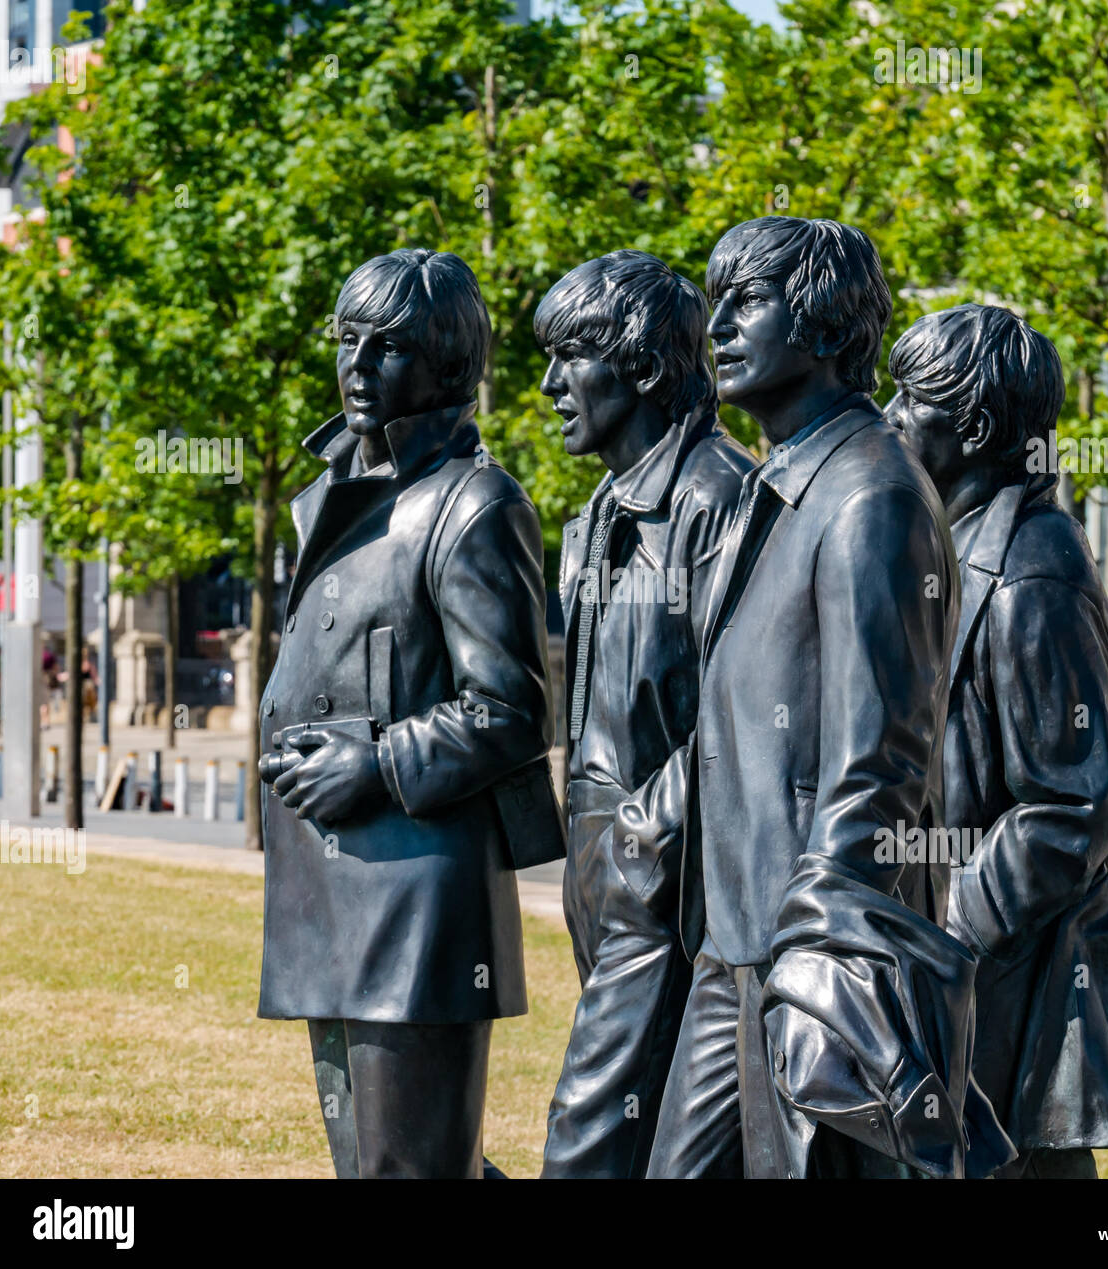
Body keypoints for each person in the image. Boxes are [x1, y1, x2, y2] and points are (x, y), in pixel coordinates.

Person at [647, 217, 960, 1178]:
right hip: (728, 938)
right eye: (717, 301)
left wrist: (812, 940)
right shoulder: (773, 486)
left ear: (825, 329)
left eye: (749, 302)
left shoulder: (871, 496)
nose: (719, 327)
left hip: (804, 946)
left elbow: (883, 752)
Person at [257, 247, 563, 1179]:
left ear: (447, 364)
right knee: (371, 1168)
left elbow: (512, 709)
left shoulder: (472, 506)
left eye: (387, 348)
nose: (356, 366)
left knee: (415, 1171)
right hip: (328, 894)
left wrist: (376, 761)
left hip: (419, 909)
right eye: (348, 340)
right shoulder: (334, 494)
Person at [887, 302, 1108, 1178]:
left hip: (1023, 983)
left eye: (911, 398)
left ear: (971, 426)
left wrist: (957, 920)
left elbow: (1080, 799)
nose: (890, 415)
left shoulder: (1032, 569)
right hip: (975, 972)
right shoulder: (959, 543)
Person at [535, 250, 754, 1177]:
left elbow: (746, 706)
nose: (549, 385)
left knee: (586, 1150)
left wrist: (642, 834)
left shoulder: (720, 500)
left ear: (649, 367)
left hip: (668, 876)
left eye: (572, 357)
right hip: (604, 871)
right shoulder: (596, 512)